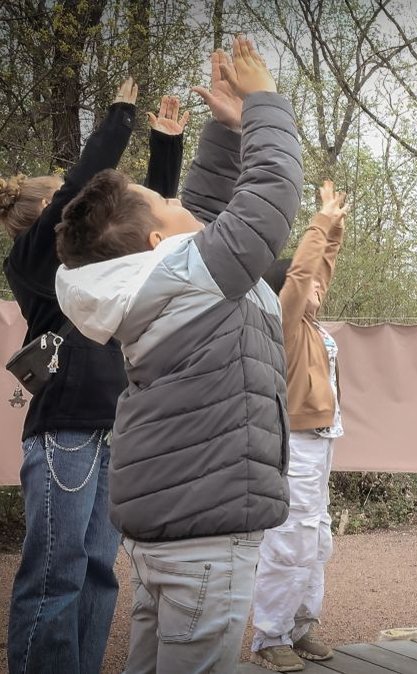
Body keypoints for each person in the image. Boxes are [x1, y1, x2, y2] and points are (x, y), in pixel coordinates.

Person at [52, 38, 302, 672]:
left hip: (178, 531)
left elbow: (209, 210)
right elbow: (268, 199)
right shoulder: (190, 277)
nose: (179, 200)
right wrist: (264, 104)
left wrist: (226, 130)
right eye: (166, 202)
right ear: (158, 242)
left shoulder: (157, 286)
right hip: (207, 538)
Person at [1, 79, 186, 674]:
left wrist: (165, 146)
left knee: (100, 572)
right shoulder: (31, 263)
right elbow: (81, 188)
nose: (80, 207)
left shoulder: (106, 269)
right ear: (48, 216)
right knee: (57, 573)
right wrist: (118, 119)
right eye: (67, 202)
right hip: (65, 433)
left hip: (115, 429)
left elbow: (148, 231)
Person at [252, 181, 350, 672]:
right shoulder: (284, 324)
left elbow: (320, 269)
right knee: (291, 539)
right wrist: (319, 223)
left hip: (321, 443)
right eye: (309, 284)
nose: (319, 287)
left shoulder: (312, 326)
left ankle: (301, 626)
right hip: (296, 443)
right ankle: (269, 636)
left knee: (317, 540)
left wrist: (335, 229)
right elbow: (304, 273)